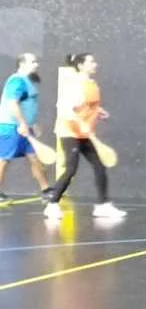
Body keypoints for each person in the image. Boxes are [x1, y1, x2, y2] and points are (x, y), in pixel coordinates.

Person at [43, 53, 125, 219]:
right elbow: (65, 109)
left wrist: (98, 111)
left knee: (99, 166)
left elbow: (87, 105)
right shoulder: (76, 85)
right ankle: (52, 205)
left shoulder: (91, 84)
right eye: (91, 61)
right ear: (81, 65)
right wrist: (81, 123)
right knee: (71, 170)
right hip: (69, 132)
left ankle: (103, 206)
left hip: (85, 134)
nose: (95, 64)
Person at [0, 53, 51, 200]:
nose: (37, 64)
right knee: (3, 159)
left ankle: (46, 189)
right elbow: (12, 104)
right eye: (33, 62)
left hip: (24, 127)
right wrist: (22, 123)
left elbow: (26, 106)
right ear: (22, 64)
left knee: (34, 157)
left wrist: (32, 124)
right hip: (11, 127)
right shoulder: (17, 81)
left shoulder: (26, 81)